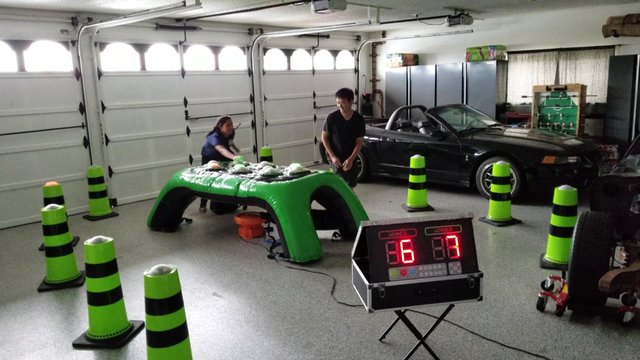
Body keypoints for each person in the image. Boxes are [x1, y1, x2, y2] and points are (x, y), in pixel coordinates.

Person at [321, 88, 365, 188]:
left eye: (343, 102)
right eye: (338, 103)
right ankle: (340, 202)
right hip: (335, 155)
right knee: (341, 182)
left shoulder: (359, 119)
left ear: (351, 102)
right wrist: (332, 156)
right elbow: (324, 137)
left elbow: (359, 142)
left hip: (350, 155)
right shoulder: (331, 118)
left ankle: (348, 201)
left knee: (352, 183)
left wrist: (351, 159)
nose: (340, 105)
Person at [200, 115, 237, 212]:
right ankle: (202, 204)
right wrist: (234, 157)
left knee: (232, 171)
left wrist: (235, 149)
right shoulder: (214, 136)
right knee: (207, 180)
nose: (231, 127)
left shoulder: (231, 132)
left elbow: (230, 142)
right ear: (220, 127)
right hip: (210, 157)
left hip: (222, 155)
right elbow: (222, 150)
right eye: (227, 125)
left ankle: (229, 197)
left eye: (231, 124)